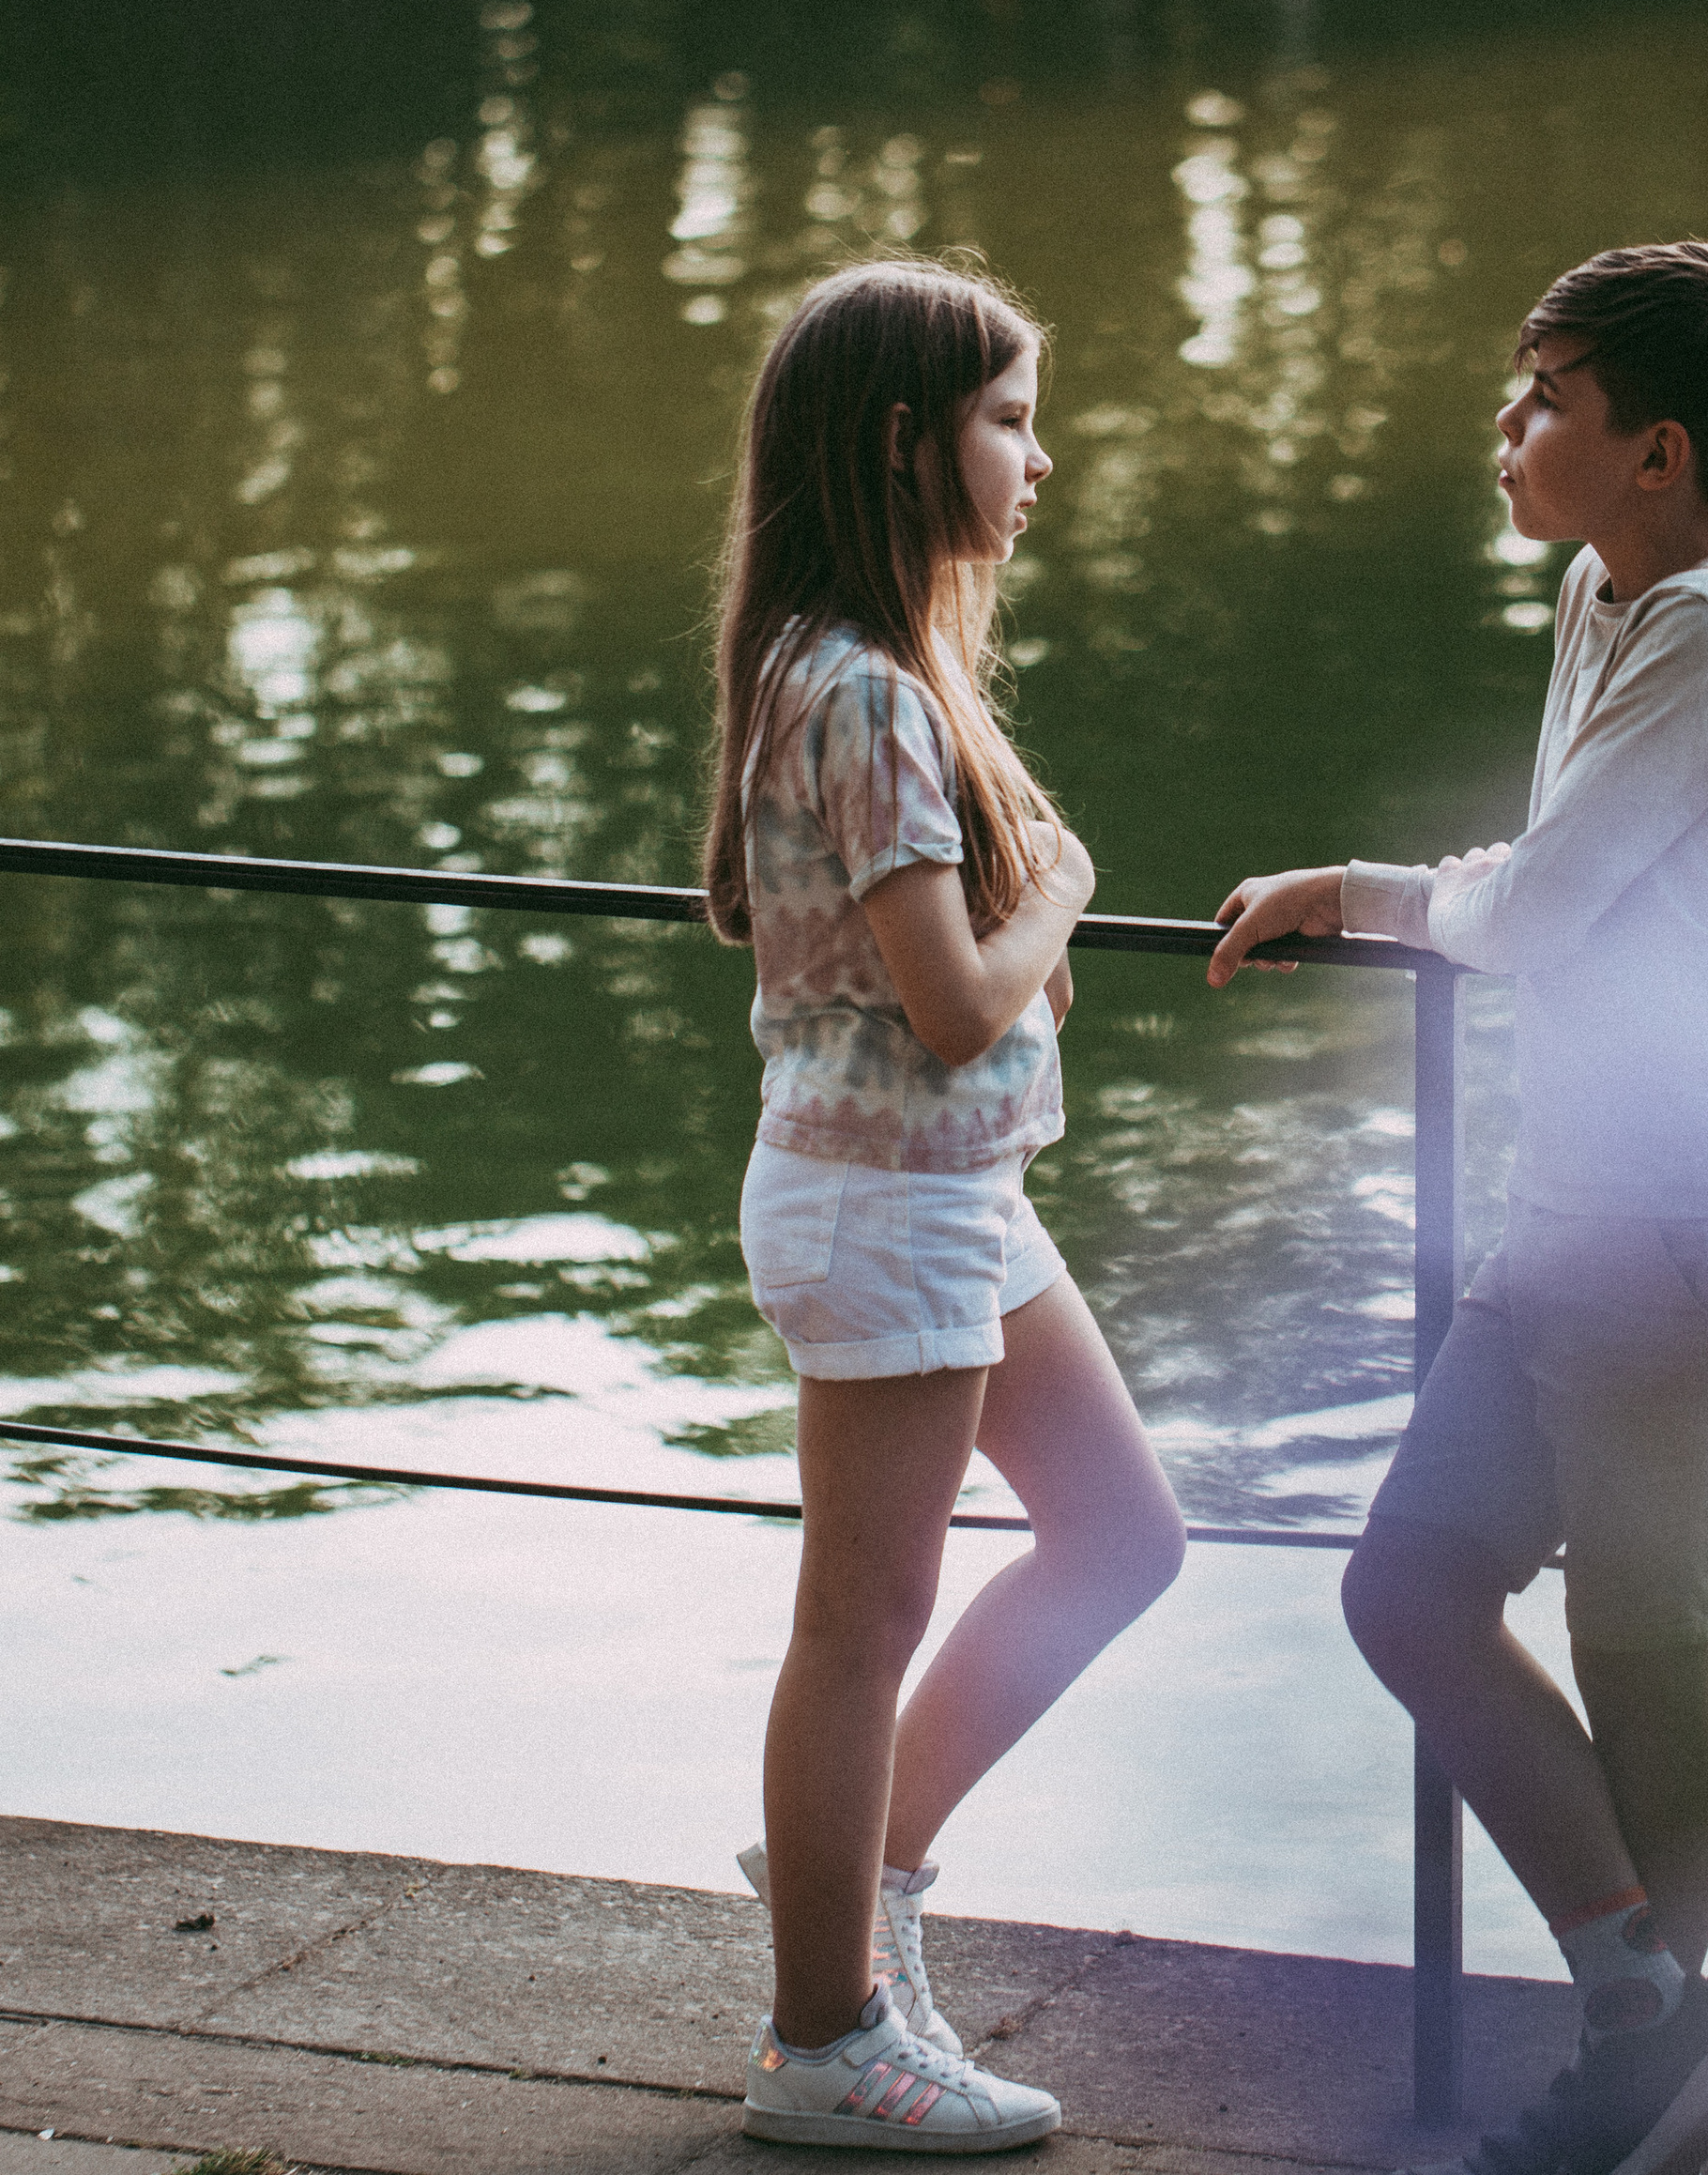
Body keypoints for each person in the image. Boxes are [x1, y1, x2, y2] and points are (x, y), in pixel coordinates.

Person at [1209, 241, 1708, 2175]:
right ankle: (1658, 2017)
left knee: (1650, 1663)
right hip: (1579, 1200)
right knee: (1408, 1582)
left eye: (1541, 396)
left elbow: (1544, 910)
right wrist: (1365, 882)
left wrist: (1391, 892)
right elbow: (1560, 870)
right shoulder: (1609, 589)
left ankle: (1648, 2075)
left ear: (1654, 449)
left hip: (1684, 1217)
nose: (1506, 423)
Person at [704, 255, 1187, 2152]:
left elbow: (911, 975)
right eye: (1004, 419)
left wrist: (1013, 912)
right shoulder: (864, 694)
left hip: (948, 1190)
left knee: (1123, 1533)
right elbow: (951, 994)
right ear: (904, 446)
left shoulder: (866, 678)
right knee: (856, 1620)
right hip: (882, 1201)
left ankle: (856, 1875)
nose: (1035, 458)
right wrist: (1055, 886)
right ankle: (821, 2038)